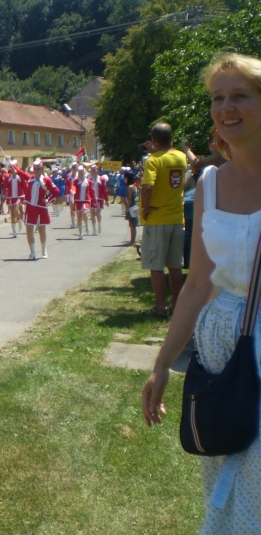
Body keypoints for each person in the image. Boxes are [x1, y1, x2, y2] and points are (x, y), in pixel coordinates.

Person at [142, 53, 261, 533]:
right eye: (217, 98)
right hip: (220, 352)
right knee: (227, 477)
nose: (225, 108)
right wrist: (161, 365)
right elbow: (196, 283)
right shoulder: (209, 182)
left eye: (240, 96)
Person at [139, 122, 187, 317]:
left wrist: (144, 206)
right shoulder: (181, 157)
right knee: (175, 266)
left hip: (157, 218)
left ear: (154, 140)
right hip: (176, 218)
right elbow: (168, 158)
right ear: (171, 138)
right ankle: (176, 305)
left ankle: (160, 307)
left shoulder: (153, 161)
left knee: (155, 266)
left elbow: (147, 186)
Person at [16, 159, 59, 259]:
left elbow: (56, 190)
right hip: (30, 207)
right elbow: (21, 173)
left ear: (42, 169)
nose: (36, 170)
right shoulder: (30, 178)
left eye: (38, 169)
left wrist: (48, 199)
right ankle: (33, 253)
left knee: (41, 230)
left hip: (41, 208)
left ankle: (44, 250)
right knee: (29, 229)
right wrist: (13, 165)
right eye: (35, 169)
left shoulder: (46, 180)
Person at [3, 161, 26, 238]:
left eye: (14, 168)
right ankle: (14, 232)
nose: (13, 170)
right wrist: (3, 194)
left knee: (16, 210)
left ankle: (20, 220)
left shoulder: (20, 177)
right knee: (12, 215)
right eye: (12, 168)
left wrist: (27, 196)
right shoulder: (7, 177)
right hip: (10, 197)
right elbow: (5, 186)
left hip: (19, 196)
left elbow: (25, 186)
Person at [72, 165, 93, 239]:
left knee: (84, 213)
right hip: (78, 201)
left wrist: (95, 200)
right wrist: (73, 191)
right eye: (79, 173)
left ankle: (87, 225)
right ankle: (81, 233)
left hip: (86, 200)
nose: (80, 174)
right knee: (79, 217)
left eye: (82, 173)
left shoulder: (88, 181)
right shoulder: (76, 181)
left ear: (84, 173)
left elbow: (92, 191)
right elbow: (73, 186)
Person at [89, 163, 109, 236]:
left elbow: (105, 190)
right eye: (92, 170)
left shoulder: (101, 179)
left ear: (97, 170)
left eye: (95, 170)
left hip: (100, 199)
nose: (94, 171)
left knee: (97, 214)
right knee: (92, 214)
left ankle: (99, 225)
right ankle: (94, 230)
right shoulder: (89, 180)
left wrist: (106, 200)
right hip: (91, 199)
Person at [124, 170, 139, 246]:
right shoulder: (135, 185)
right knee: (132, 224)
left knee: (132, 225)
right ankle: (132, 240)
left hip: (131, 207)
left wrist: (127, 209)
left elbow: (129, 199)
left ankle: (132, 241)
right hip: (135, 206)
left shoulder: (130, 187)